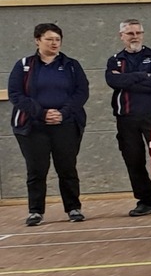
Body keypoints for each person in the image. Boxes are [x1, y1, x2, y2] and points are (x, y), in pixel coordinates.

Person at [8, 23, 90, 226]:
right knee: (36, 169)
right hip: (33, 126)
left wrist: (62, 113)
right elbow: (16, 94)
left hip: (66, 124)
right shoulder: (24, 65)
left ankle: (73, 208)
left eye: (57, 40)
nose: (54, 43)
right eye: (49, 39)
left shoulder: (72, 65)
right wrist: (42, 113)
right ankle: (35, 211)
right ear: (37, 40)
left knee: (67, 168)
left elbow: (81, 92)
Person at [106, 19, 151, 217]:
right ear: (121, 36)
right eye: (130, 33)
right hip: (126, 118)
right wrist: (142, 76)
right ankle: (146, 201)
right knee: (133, 160)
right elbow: (113, 80)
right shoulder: (115, 60)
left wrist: (126, 81)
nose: (135, 37)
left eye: (138, 33)